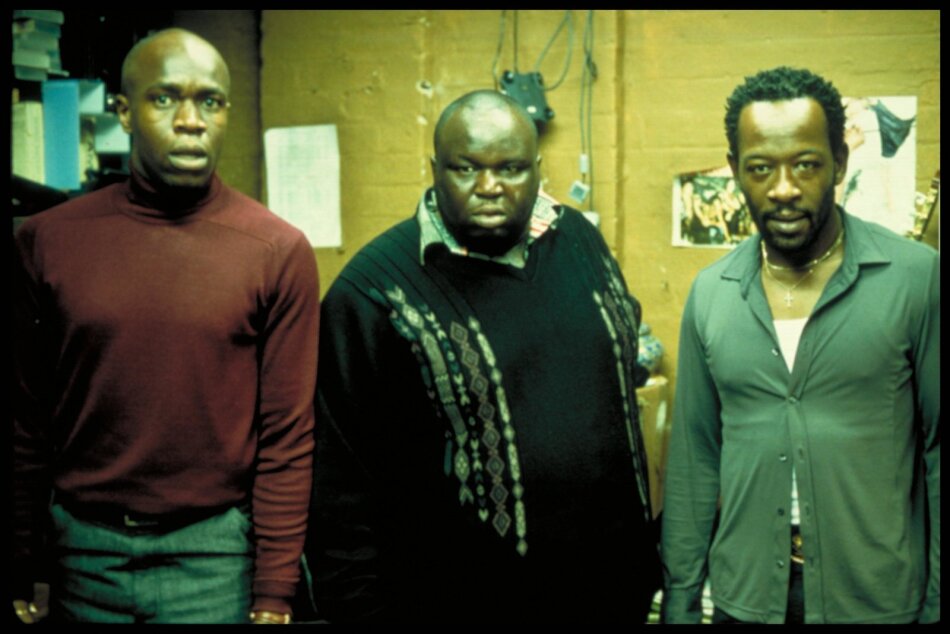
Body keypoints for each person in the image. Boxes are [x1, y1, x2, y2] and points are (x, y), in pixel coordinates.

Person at [302, 90, 661, 623]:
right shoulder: (373, 294)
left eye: (511, 168)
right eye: (467, 168)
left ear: (538, 169)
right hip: (462, 607)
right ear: (435, 169)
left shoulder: (579, 240)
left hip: (612, 598)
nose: (490, 187)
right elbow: (339, 488)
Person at [12, 28, 319, 624]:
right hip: (81, 552)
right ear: (124, 112)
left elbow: (286, 437)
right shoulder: (47, 242)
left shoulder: (276, 251)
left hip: (214, 558)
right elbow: (24, 419)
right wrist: (22, 560)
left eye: (210, 101)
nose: (190, 121)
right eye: (164, 98)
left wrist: (274, 590)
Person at [660, 66, 939, 624]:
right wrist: (681, 600)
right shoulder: (712, 294)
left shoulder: (915, 278)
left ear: (840, 162)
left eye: (806, 164)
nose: (783, 188)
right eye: (761, 168)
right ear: (736, 170)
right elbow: (694, 460)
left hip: (875, 601)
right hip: (746, 598)